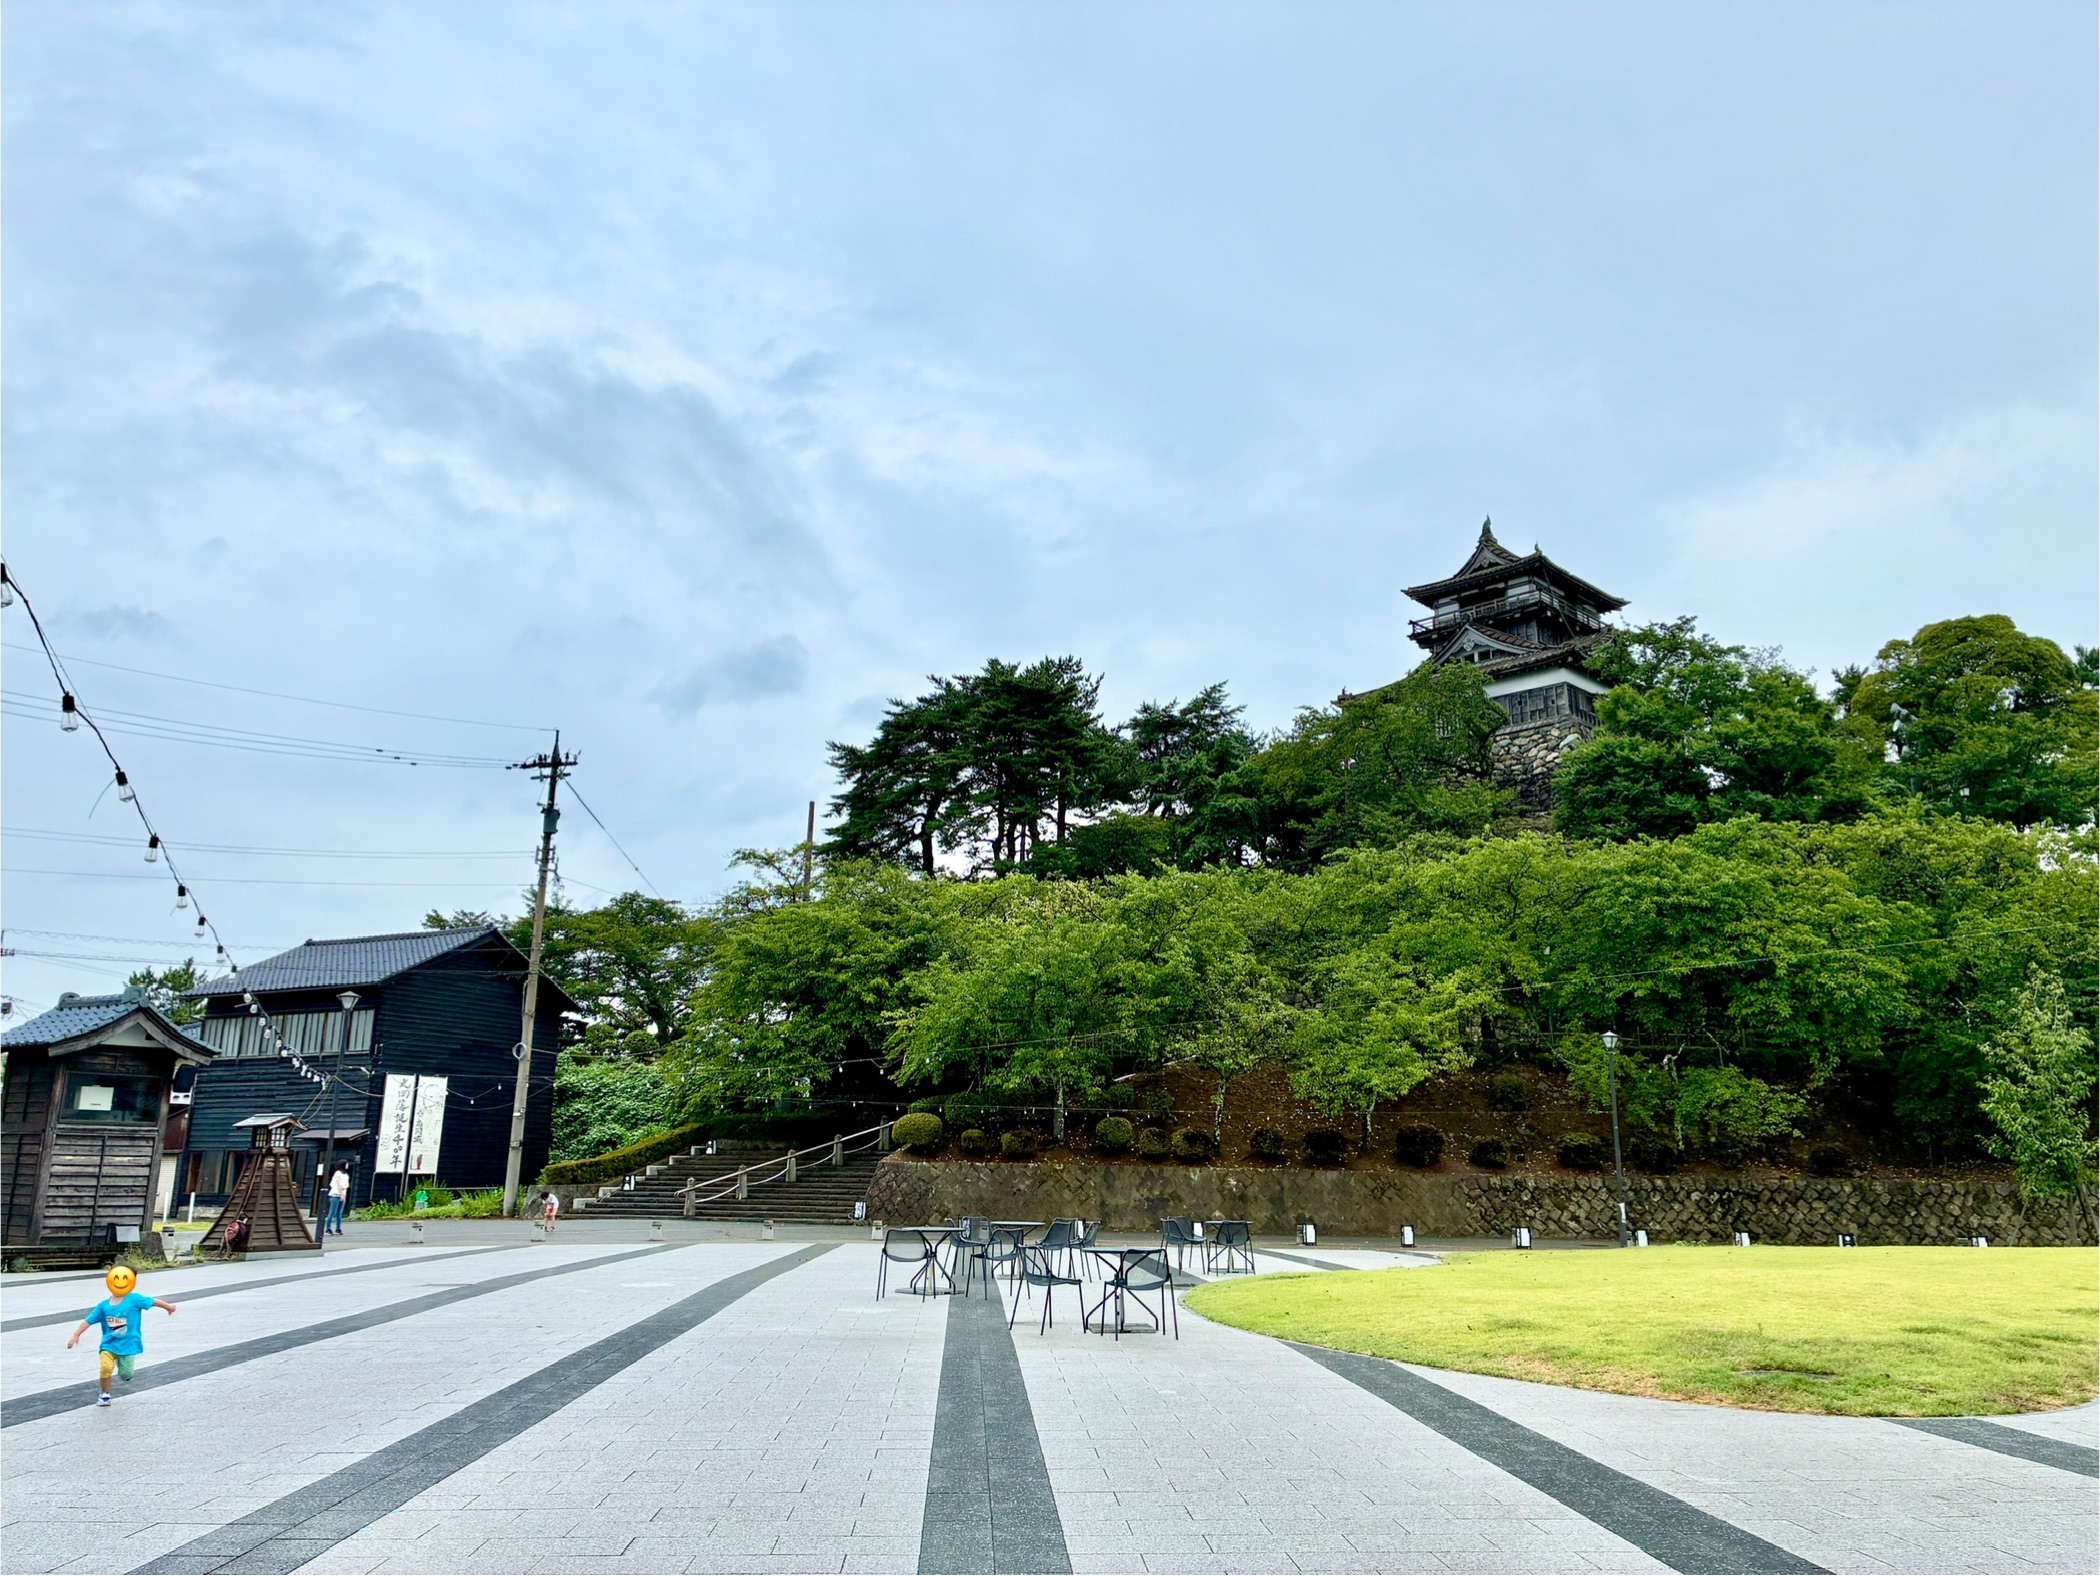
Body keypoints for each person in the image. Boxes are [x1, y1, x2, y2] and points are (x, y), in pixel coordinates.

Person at [67, 1265, 175, 1408]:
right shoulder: (103, 1306)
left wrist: (168, 1307)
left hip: (129, 1345)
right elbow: (89, 1320)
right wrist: (76, 1334)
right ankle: (105, 1395)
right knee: (105, 1367)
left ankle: (121, 1363)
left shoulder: (134, 1299)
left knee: (126, 1375)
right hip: (109, 1344)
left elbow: (153, 1301)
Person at [325, 1165, 351, 1236]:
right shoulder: (337, 1173)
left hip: (343, 1194)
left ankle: (338, 1228)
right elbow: (338, 1185)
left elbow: (347, 1184)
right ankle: (328, 1229)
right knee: (332, 1212)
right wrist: (342, 1193)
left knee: (339, 1213)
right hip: (335, 1195)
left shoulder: (346, 1174)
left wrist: (344, 1189)